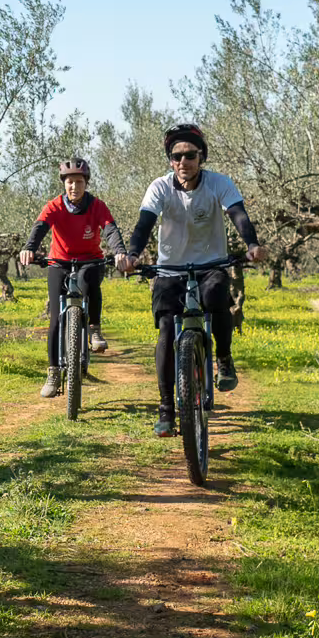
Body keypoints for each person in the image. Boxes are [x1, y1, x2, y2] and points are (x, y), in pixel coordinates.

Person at [116, 123, 265, 437]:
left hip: (211, 264)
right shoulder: (160, 187)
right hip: (170, 269)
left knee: (216, 297)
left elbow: (238, 214)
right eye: (177, 156)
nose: (183, 161)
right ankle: (166, 410)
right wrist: (133, 254)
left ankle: (223, 357)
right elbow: (145, 223)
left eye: (190, 155)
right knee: (166, 330)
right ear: (170, 160)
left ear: (202, 157)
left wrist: (252, 244)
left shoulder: (219, 183)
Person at [17, 157, 128, 397]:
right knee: (56, 320)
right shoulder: (54, 206)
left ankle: (94, 329)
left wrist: (119, 251)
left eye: (79, 182)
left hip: (90, 260)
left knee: (89, 281)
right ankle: (53, 373)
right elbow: (40, 227)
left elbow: (110, 229)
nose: (74, 186)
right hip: (60, 261)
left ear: (86, 183)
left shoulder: (97, 206)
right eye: (70, 182)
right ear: (64, 184)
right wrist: (29, 248)